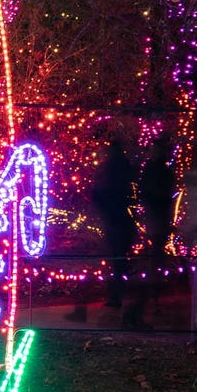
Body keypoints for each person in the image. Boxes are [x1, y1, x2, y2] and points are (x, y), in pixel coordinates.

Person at [74, 122, 138, 324]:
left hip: (114, 218)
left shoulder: (110, 168)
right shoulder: (122, 166)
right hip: (118, 217)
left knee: (116, 257)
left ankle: (115, 295)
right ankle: (117, 293)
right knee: (118, 258)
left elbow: (101, 192)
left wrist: (100, 204)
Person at [130, 132, 180, 325]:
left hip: (157, 216)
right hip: (156, 216)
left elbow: (149, 192)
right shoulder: (157, 169)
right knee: (154, 255)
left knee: (155, 255)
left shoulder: (158, 169)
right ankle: (151, 292)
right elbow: (154, 192)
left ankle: (152, 291)